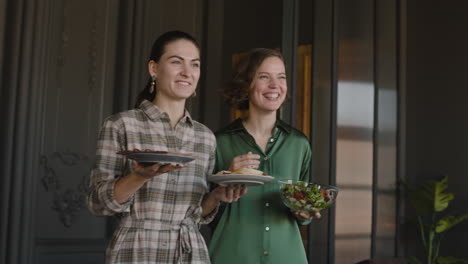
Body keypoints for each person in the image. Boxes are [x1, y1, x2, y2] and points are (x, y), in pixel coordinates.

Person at [86, 30, 244, 264]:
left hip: (191, 253)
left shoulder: (205, 137)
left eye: (195, 65)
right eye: (176, 62)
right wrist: (139, 176)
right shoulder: (121, 125)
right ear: (154, 69)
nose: (187, 73)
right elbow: (97, 203)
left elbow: (197, 215)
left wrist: (216, 196)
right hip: (136, 251)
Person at [208, 48, 321, 264]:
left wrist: (304, 213)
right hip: (232, 256)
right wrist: (226, 179)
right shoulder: (219, 143)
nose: (275, 85)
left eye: (281, 77)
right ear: (246, 84)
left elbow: (302, 207)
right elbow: (199, 211)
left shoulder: (299, 144)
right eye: (264, 77)